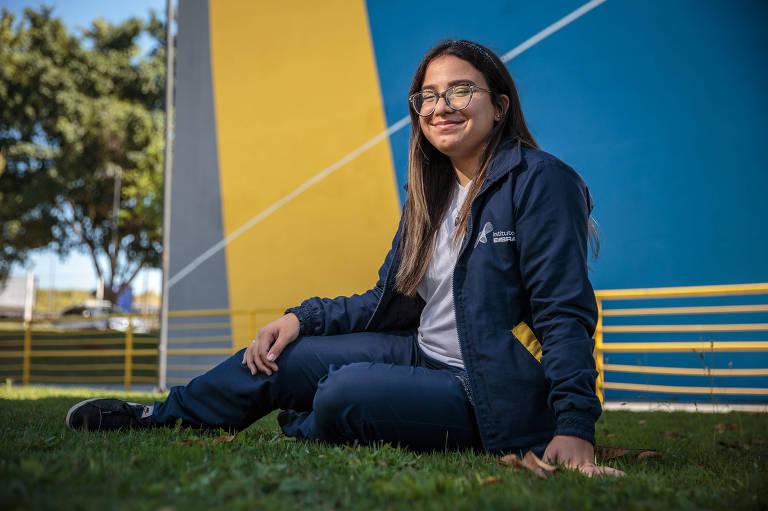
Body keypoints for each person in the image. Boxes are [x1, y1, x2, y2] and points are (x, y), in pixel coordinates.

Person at [66, 39, 623, 477]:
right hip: (420, 353)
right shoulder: (429, 196)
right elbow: (385, 297)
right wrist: (298, 318)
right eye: (428, 96)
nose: (441, 107)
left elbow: (563, 311)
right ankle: (156, 418)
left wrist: (574, 426)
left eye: (461, 91)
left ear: (499, 106)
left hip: (488, 390)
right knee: (284, 356)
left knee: (343, 391)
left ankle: (311, 419)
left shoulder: (541, 180)